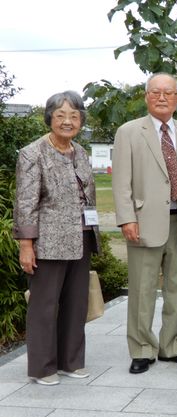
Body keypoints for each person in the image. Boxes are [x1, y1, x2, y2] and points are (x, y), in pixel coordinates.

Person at [112, 72, 177, 374]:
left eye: (169, 93)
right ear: (146, 96)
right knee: (143, 289)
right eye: (156, 92)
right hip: (143, 223)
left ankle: (172, 345)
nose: (162, 97)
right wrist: (127, 218)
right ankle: (141, 349)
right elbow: (121, 182)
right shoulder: (128, 132)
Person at [13, 91, 100, 386]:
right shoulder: (32, 153)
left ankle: (70, 362)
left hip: (82, 237)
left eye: (74, 116)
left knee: (76, 304)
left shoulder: (81, 152)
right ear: (49, 117)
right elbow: (25, 203)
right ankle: (42, 367)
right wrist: (26, 245)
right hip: (48, 242)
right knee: (44, 306)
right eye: (61, 115)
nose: (67, 121)